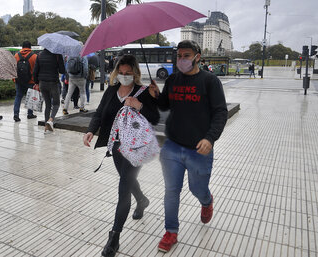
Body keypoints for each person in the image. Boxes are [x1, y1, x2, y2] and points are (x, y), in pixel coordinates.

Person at [152, 40, 227, 253]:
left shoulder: (210, 81)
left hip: (199, 150)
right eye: (179, 56)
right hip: (172, 147)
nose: (181, 60)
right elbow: (165, 105)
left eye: (186, 55)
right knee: (171, 191)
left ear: (197, 57)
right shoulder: (174, 79)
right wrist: (156, 95)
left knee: (197, 189)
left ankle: (207, 201)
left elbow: (220, 112)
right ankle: (171, 232)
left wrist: (210, 138)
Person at [83, 55, 159, 257]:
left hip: (136, 147)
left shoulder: (143, 92)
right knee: (127, 180)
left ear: (135, 73)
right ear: (116, 73)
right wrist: (91, 130)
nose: (125, 77)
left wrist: (140, 105)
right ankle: (142, 200)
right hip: (115, 146)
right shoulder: (111, 91)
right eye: (121, 73)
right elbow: (100, 113)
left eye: (128, 73)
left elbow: (156, 118)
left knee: (124, 187)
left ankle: (114, 237)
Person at [33, 47, 65, 133]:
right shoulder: (57, 55)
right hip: (53, 83)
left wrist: (36, 82)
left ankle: (46, 126)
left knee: (48, 104)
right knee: (56, 103)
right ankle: (50, 120)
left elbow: (35, 71)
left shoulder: (39, 55)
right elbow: (62, 71)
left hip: (42, 83)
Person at [13, 41, 37, 122]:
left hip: (18, 80)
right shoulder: (34, 56)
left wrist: (14, 79)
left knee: (18, 97)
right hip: (31, 81)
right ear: (30, 47)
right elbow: (36, 70)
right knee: (30, 97)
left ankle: (16, 114)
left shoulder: (16, 56)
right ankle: (30, 114)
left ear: (22, 47)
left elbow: (13, 68)